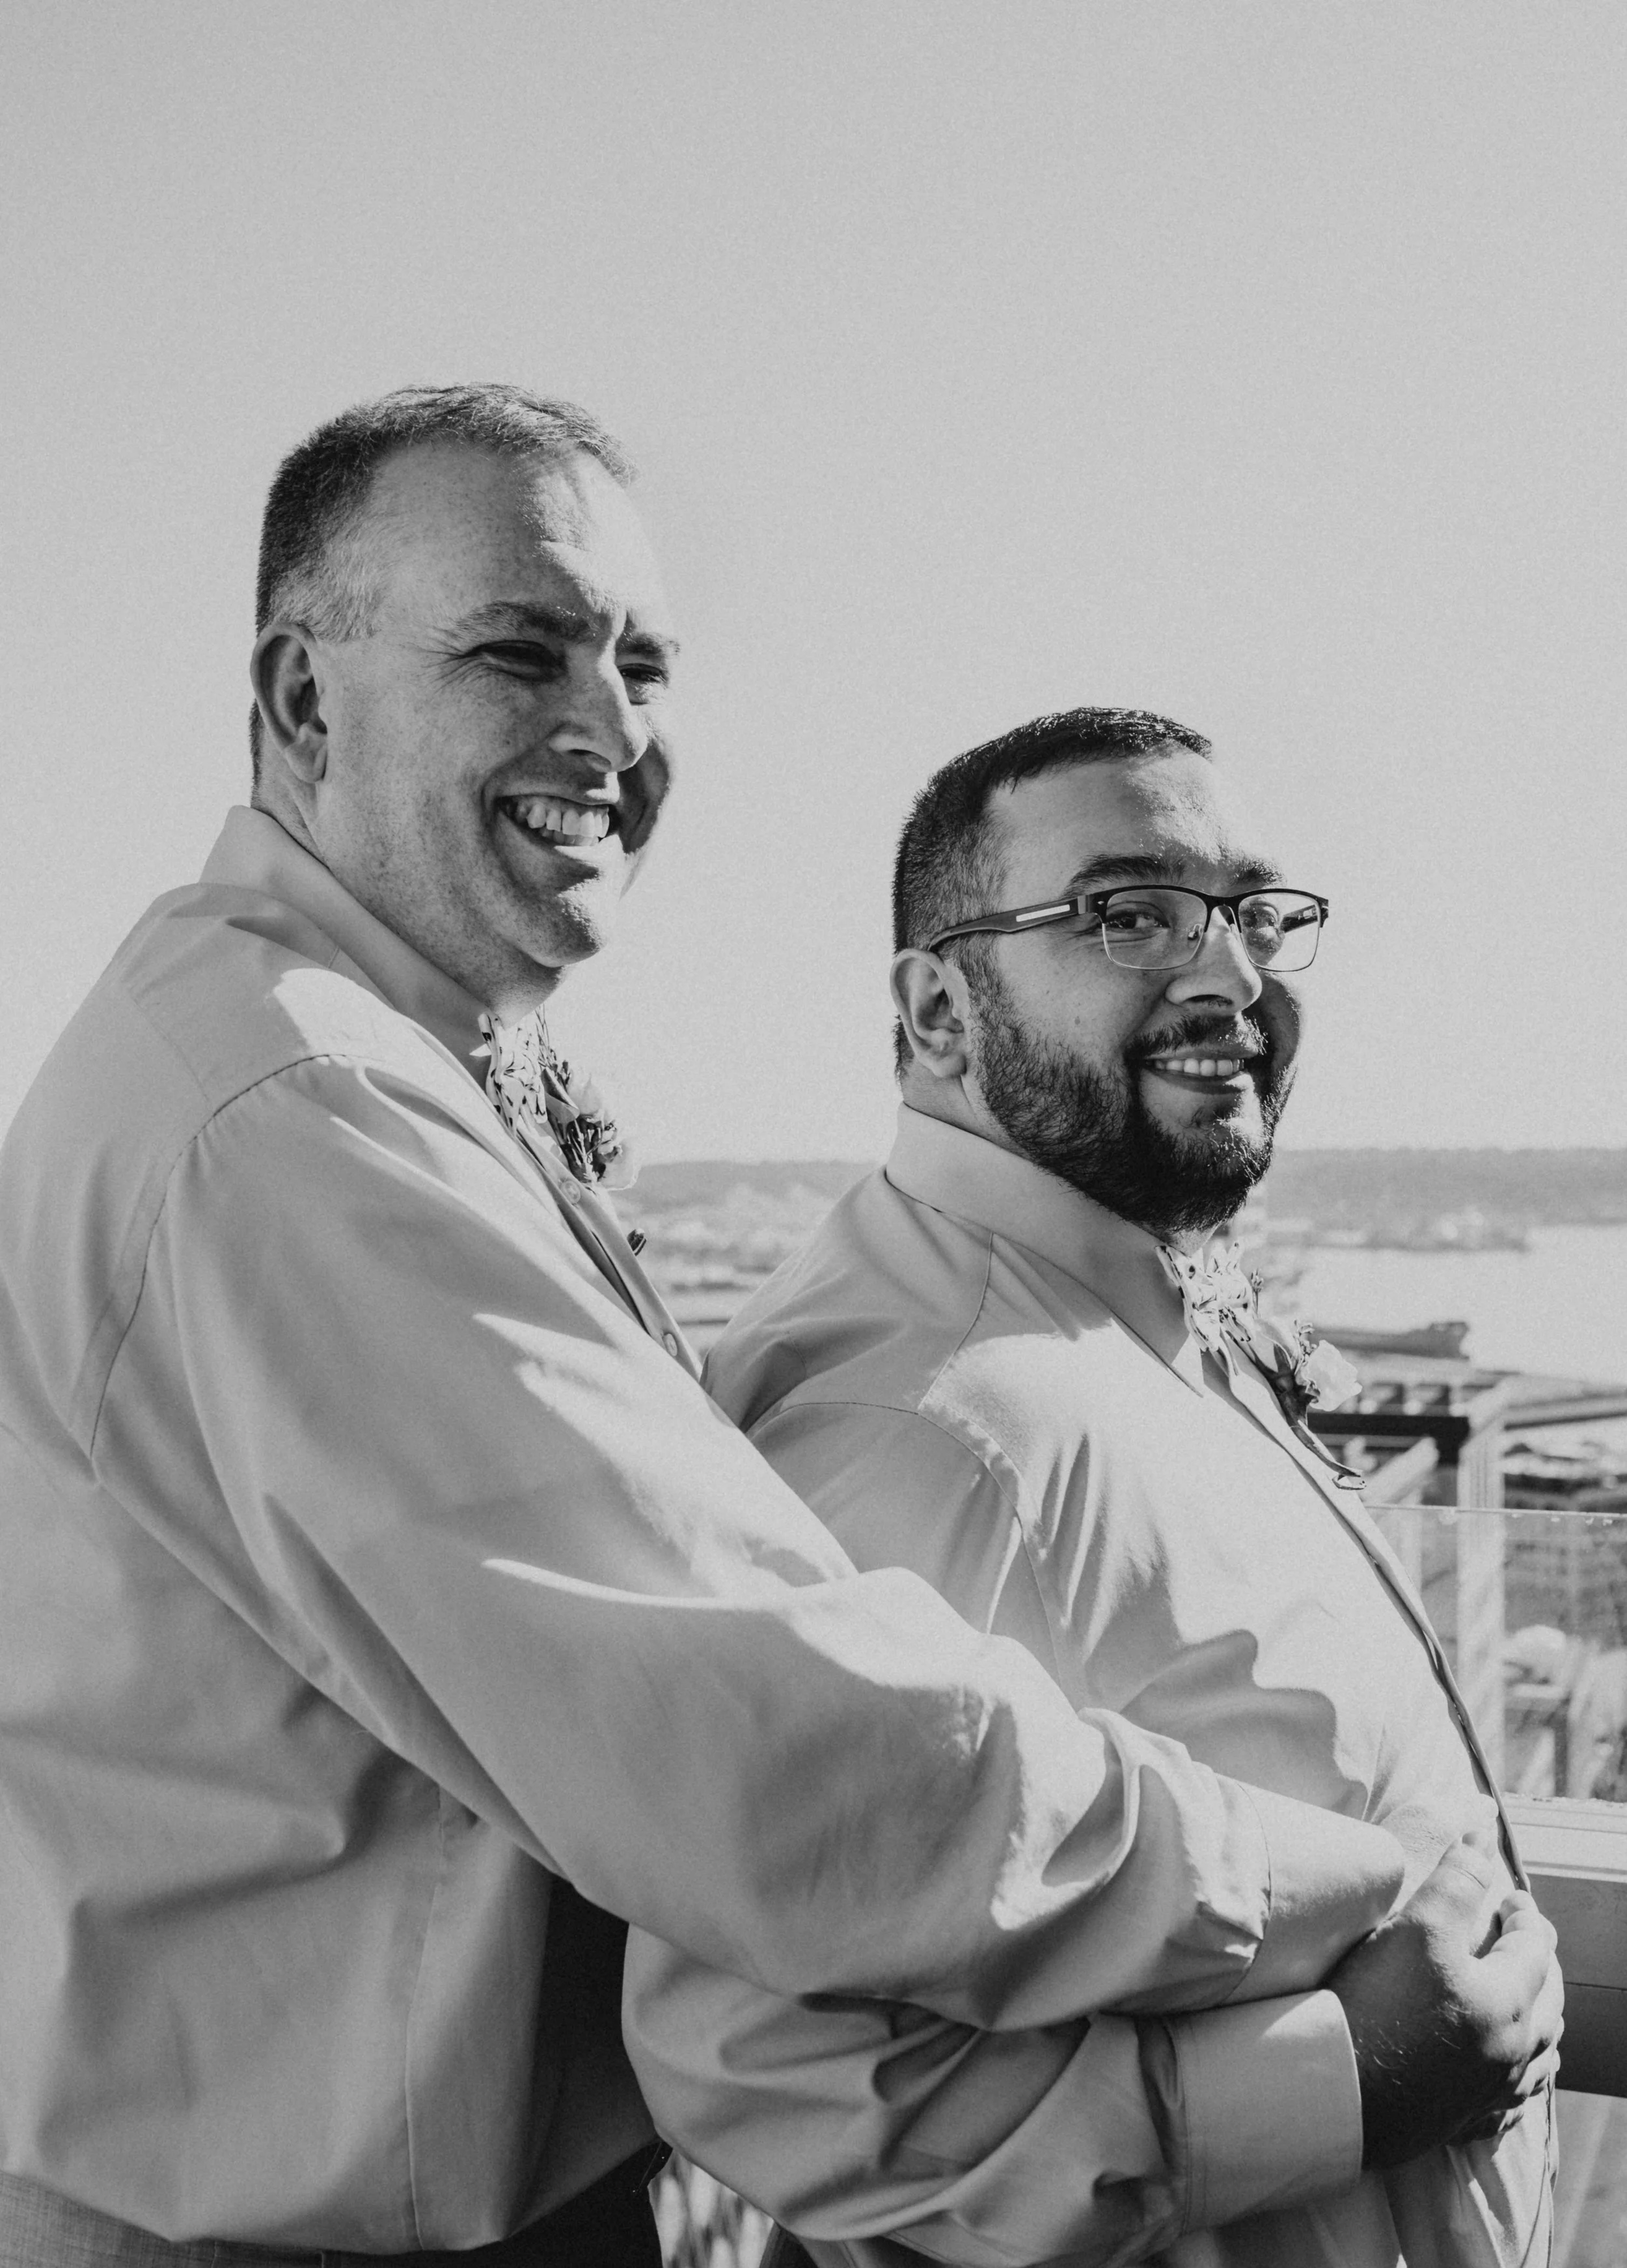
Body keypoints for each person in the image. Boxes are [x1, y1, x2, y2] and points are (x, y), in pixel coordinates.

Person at [0, 394, 1546, 2268]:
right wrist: (1368, 1921)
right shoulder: (291, 1117)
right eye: (520, 647)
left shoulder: (347, 1068)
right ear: (302, 699)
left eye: (644, 661)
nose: (617, 729)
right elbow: (772, 1759)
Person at [625, 708, 1562, 2267]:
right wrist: (1348, 2081)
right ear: (936, 1011)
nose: (1226, 975)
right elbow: (758, 2063)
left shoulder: (1115, 1335)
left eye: (1249, 914)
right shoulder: (924, 1424)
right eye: (1127, 915)